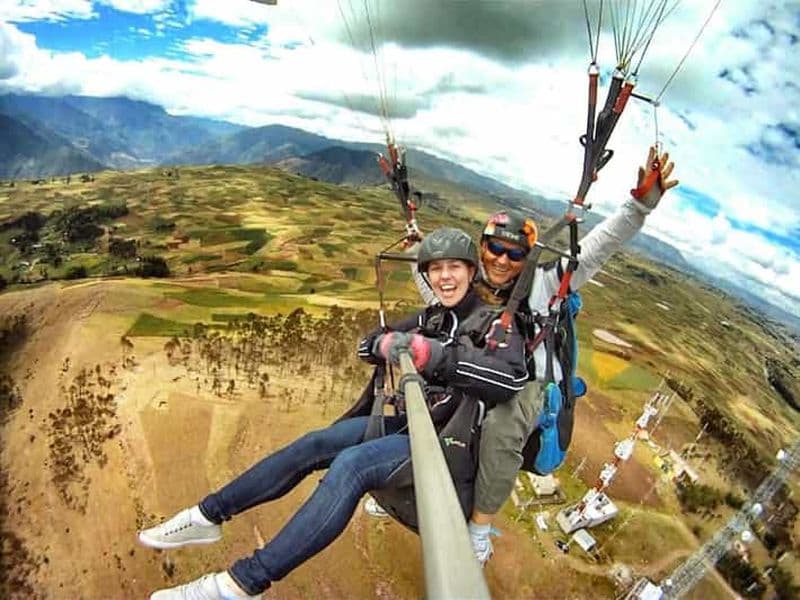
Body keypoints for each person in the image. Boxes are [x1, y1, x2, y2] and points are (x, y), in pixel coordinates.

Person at [137, 227, 528, 600]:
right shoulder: (435, 318)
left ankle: (242, 584)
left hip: (448, 448)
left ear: (470, 271)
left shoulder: (496, 325)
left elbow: (508, 378)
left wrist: (432, 355)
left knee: (352, 466)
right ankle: (207, 516)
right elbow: (367, 345)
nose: (444, 277)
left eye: (453, 268)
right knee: (316, 443)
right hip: (414, 427)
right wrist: (385, 343)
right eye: (435, 269)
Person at [465, 146, 679, 564]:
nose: (503, 260)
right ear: (481, 246)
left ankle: (479, 529)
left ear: (528, 259)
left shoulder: (544, 285)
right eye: (495, 249)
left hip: (528, 389)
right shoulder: (471, 284)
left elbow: (599, 247)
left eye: (515, 254)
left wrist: (638, 208)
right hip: (482, 374)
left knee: (505, 422)